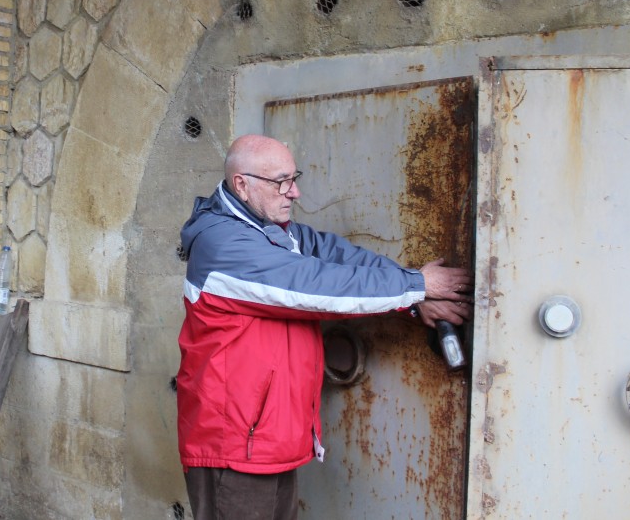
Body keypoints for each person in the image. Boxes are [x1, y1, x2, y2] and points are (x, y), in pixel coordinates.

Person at [176, 134, 473, 520]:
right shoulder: (223, 245)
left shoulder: (276, 231)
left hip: (267, 440)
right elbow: (317, 286)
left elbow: (341, 262)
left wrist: (415, 302)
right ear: (242, 185)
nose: (294, 191)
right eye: (281, 181)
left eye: (293, 177)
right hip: (232, 446)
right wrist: (418, 285)